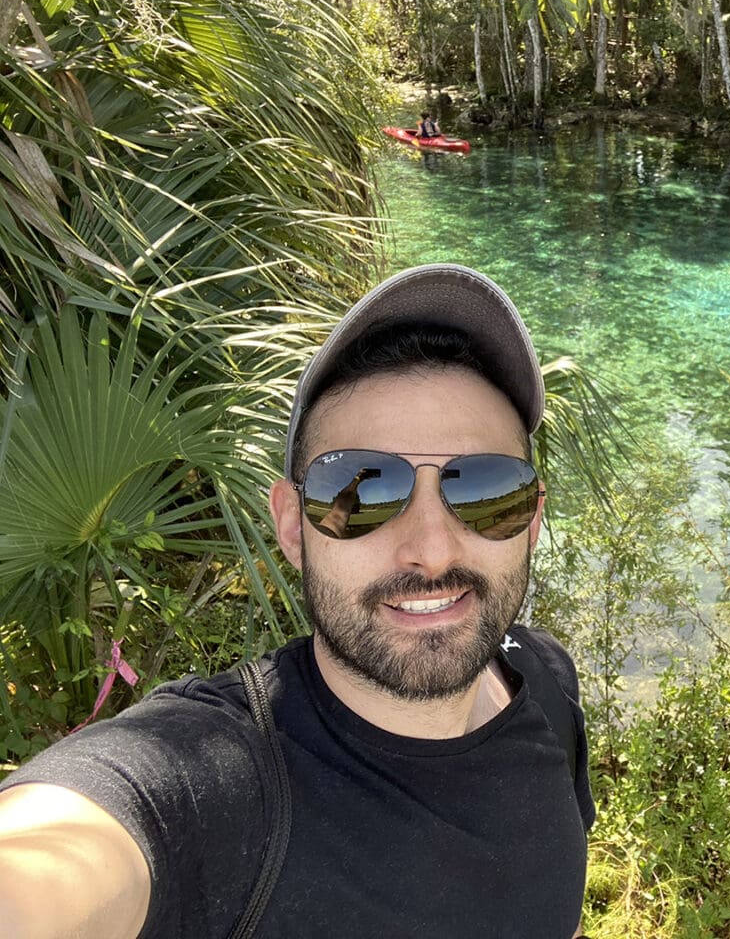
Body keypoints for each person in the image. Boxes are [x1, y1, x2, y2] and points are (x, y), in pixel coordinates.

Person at [0, 263, 595, 938]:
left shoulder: (546, 679)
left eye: (486, 488)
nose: (433, 550)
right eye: (362, 494)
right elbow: (58, 857)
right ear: (291, 526)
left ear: (534, 519)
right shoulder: (210, 782)